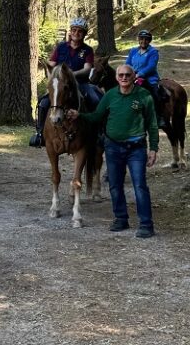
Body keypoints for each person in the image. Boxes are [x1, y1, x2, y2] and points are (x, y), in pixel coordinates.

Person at [68, 64, 158, 238]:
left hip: (136, 148)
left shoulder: (144, 96)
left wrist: (153, 148)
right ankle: (121, 219)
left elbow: (152, 124)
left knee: (140, 186)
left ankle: (146, 224)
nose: (124, 78)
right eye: (121, 75)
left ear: (133, 77)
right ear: (116, 78)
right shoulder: (110, 95)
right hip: (113, 147)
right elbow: (96, 116)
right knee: (115, 185)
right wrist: (80, 115)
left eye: (127, 75)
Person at [29, 17, 101, 147]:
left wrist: (72, 75)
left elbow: (87, 68)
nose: (76, 33)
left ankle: (98, 134)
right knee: (43, 102)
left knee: (95, 99)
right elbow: (51, 64)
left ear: (84, 34)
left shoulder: (87, 50)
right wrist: (54, 75)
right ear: (70, 32)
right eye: (74, 30)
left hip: (80, 83)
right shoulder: (61, 47)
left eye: (80, 31)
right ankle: (40, 134)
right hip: (61, 84)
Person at [125, 29, 165, 128]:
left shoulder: (153, 52)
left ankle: (159, 117)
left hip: (149, 78)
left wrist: (139, 74)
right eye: (141, 39)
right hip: (133, 77)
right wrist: (128, 73)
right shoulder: (133, 51)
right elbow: (128, 63)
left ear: (149, 40)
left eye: (146, 39)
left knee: (155, 93)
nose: (143, 41)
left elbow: (151, 66)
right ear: (138, 40)